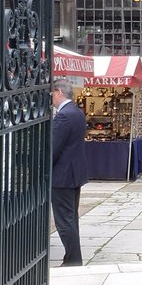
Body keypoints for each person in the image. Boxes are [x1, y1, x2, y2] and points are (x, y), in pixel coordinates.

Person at [50, 77, 89, 267]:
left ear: (58, 92)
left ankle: (73, 259)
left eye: (51, 94)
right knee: (71, 218)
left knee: (64, 220)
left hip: (62, 176)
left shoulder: (64, 115)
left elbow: (54, 148)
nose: (51, 98)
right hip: (74, 174)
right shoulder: (77, 112)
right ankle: (72, 257)